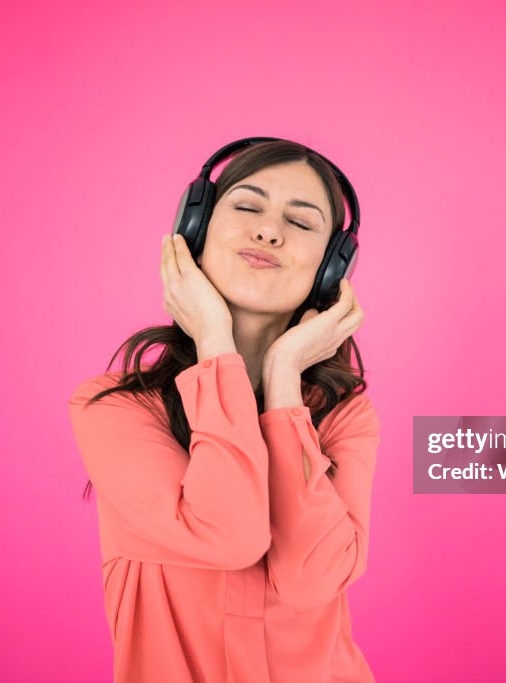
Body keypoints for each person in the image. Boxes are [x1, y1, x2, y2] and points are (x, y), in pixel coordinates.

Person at [67, 139, 381, 682]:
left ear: (331, 268)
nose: (268, 231)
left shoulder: (344, 418)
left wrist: (283, 382)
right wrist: (215, 342)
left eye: (300, 223)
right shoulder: (115, 408)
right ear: (196, 229)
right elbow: (227, 536)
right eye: (247, 206)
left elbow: (312, 580)